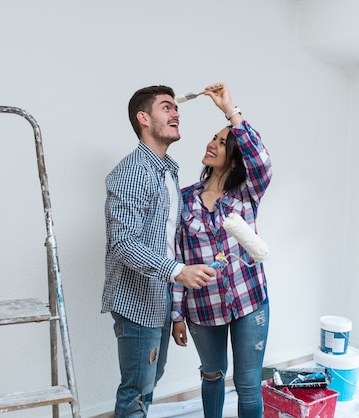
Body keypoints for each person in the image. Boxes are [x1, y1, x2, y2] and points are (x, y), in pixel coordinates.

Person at [102, 85, 216, 418]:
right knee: (136, 390)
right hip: (136, 301)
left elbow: (170, 242)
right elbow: (124, 242)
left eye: (175, 108)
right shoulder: (130, 172)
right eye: (166, 108)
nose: (176, 113)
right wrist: (179, 271)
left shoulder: (168, 170)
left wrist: (175, 307)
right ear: (144, 118)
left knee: (150, 381)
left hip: (161, 296)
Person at [171, 82, 273, 418]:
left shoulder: (247, 193)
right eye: (213, 139)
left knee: (247, 385)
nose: (211, 144)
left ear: (235, 155)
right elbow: (177, 258)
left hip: (249, 303)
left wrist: (230, 109)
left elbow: (261, 160)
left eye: (221, 142)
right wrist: (177, 314)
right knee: (212, 376)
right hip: (202, 308)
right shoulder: (184, 199)